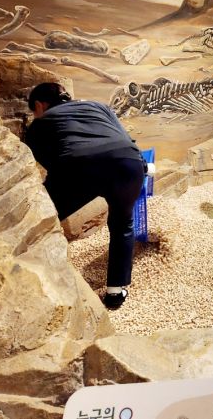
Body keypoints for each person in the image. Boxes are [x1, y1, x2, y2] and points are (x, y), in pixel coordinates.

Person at [24, 82, 146, 310]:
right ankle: (115, 293)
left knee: (42, 219)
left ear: (39, 105)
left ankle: (36, 281)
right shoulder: (99, 107)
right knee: (122, 225)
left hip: (79, 166)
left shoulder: (41, 122)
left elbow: (43, 159)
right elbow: (125, 137)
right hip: (127, 164)